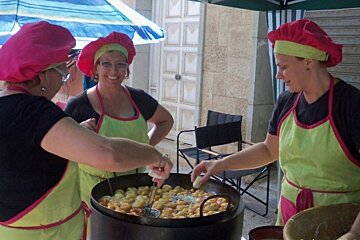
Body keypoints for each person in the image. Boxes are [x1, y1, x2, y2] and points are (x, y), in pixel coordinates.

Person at [0, 21, 173, 240]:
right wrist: (154, 155)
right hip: (45, 233)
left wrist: (75, 133)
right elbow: (108, 153)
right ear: (42, 75)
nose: (62, 82)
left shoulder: (7, 105)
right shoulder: (34, 111)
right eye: (62, 74)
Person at [191, 19, 360, 228]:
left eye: (283, 67)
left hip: (339, 221)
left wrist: (354, 232)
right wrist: (220, 164)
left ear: (308, 61)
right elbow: (268, 150)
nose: (278, 75)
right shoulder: (286, 101)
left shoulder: (351, 104)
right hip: (290, 215)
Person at [64, 31, 174, 206]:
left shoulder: (139, 98)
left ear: (127, 68)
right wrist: (78, 133)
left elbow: (166, 120)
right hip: (93, 192)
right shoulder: (78, 105)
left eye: (120, 65)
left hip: (135, 189)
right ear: (96, 68)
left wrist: (145, 149)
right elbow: (60, 147)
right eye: (106, 63)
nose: (113, 71)